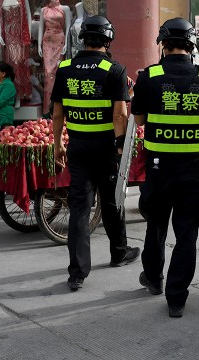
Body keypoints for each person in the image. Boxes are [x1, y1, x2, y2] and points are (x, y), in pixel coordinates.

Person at [131, 18, 199, 318]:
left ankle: (153, 279)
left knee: (156, 225)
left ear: (163, 44)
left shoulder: (149, 76)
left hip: (158, 170)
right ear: (190, 45)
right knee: (186, 234)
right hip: (194, 169)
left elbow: (140, 121)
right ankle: (176, 299)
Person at [52, 15, 140, 291]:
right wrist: (120, 144)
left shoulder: (64, 68)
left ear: (83, 39)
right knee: (112, 200)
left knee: (79, 207)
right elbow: (119, 114)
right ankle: (119, 252)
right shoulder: (114, 70)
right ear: (108, 39)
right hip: (106, 147)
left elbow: (57, 113)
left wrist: (58, 144)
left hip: (77, 146)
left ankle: (77, 272)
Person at [38, 0, 71, 115]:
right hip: (47, 41)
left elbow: (68, 28)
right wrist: (39, 45)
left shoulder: (65, 8)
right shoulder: (44, 10)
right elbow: (41, 28)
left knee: (59, 71)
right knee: (48, 73)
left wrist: (67, 42)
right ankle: (48, 108)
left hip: (60, 40)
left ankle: (59, 107)